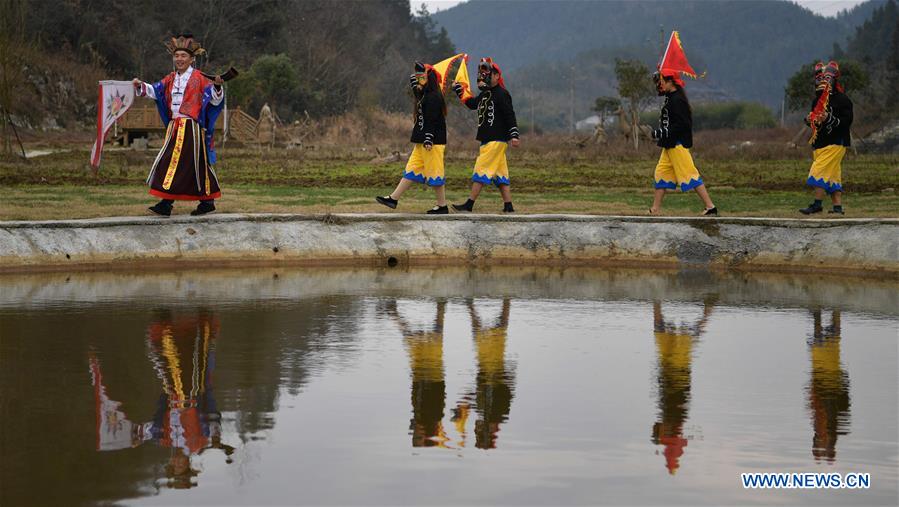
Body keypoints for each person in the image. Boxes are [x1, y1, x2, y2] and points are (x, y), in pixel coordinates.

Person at [132, 34, 225, 216]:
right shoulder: (171, 78)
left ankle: (167, 203)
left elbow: (214, 99)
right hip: (175, 127)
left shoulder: (200, 77)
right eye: (177, 56)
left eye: (183, 56)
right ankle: (207, 201)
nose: (179, 59)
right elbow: (155, 90)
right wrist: (140, 85)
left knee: (170, 161)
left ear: (192, 59)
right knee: (194, 164)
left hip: (190, 127)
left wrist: (217, 87)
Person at [649, 32, 717, 216]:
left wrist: (661, 133)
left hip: (677, 144)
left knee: (689, 174)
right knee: (661, 174)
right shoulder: (671, 98)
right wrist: (661, 134)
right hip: (669, 145)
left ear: (671, 81)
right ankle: (655, 209)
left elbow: (681, 125)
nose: (659, 84)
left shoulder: (677, 100)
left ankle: (710, 207)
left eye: (662, 80)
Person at [376, 61, 450, 214]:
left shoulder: (434, 97)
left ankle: (442, 206)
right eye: (417, 75)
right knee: (411, 170)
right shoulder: (425, 95)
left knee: (435, 174)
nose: (418, 78)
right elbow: (421, 101)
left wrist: (429, 138)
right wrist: (414, 88)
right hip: (422, 141)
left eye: (421, 75)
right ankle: (393, 199)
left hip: (432, 142)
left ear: (429, 78)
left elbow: (432, 119)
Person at [451, 57, 520, 213]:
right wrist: (459, 91)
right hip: (488, 139)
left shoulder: (502, 94)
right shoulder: (485, 94)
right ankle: (508, 206)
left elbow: (510, 115)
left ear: (497, 76)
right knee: (500, 175)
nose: (485, 75)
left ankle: (469, 204)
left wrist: (514, 134)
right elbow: (472, 104)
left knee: (481, 170)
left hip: (496, 139)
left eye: (490, 73)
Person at [800, 61, 853, 215]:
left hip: (836, 142)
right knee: (833, 175)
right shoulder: (816, 101)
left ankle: (817, 204)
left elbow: (847, 122)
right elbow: (816, 124)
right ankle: (837, 208)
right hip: (820, 143)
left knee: (819, 171)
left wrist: (829, 118)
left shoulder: (843, 100)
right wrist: (810, 121)